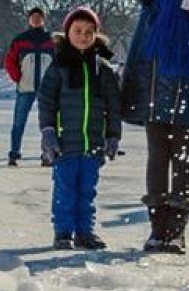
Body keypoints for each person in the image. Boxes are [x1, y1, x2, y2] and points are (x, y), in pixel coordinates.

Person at [120, 0, 189, 255]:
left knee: (183, 157)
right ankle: (157, 229)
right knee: (158, 157)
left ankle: (176, 231)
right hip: (153, 83)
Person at [37, 6, 120, 250]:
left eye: (89, 31)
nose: (83, 36)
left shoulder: (102, 68)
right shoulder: (59, 66)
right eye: (78, 31)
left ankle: (85, 232)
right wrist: (48, 131)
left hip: (93, 143)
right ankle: (63, 232)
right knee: (65, 190)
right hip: (65, 143)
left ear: (96, 34)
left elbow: (113, 106)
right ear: (67, 33)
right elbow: (46, 101)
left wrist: (113, 136)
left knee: (87, 192)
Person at [5, 6, 55, 167]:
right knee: (19, 122)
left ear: (43, 20)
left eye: (39, 17)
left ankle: (46, 154)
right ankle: (14, 153)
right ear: (28, 20)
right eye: (33, 17)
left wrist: (55, 80)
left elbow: (59, 62)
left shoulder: (52, 40)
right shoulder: (20, 39)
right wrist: (18, 78)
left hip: (46, 89)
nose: (36, 19)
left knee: (47, 123)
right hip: (25, 88)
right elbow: (9, 61)